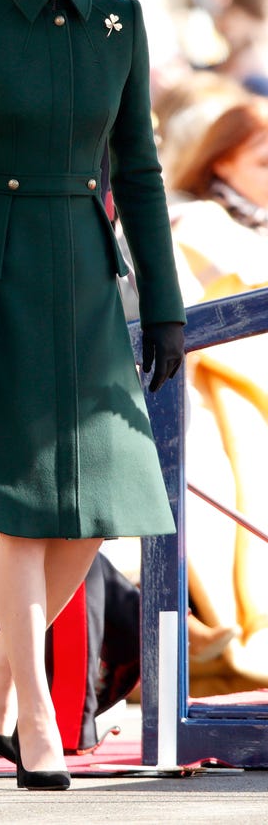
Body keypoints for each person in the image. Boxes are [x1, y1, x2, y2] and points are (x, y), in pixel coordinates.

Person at [0, 0, 185, 792]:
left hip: (89, 276)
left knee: (107, 496)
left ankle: (6, 654)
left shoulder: (122, 24)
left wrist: (162, 303)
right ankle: (35, 719)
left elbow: (140, 166)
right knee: (25, 511)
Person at [168, 97, 268, 694]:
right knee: (215, 434)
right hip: (211, 385)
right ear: (221, 162)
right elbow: (194, 327)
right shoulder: (196, 221)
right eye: (263, 159)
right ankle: (213, 624)